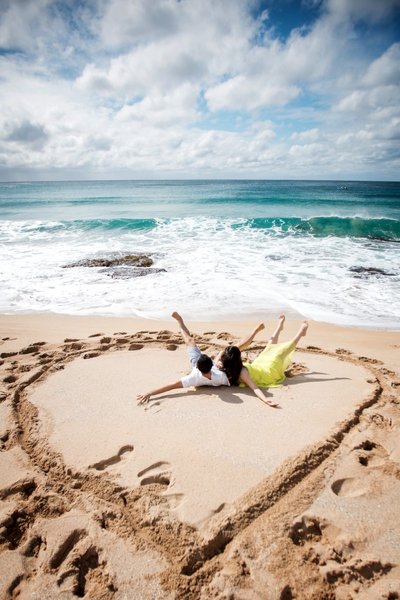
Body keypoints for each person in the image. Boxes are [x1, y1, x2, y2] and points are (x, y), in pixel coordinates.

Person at [137, 311, 230, 405]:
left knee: (189, 340)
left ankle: (180, 321)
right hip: (208, 363)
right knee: (190, 340)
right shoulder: (220, 377)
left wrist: (150, 393)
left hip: (199, 361)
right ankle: (180, 320)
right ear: (211, 365)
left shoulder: (193, 378)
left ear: (197, 367)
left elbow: (172, 385)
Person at [218, 315, 308, 408]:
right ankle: (300, 333)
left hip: (261, 367)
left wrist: (265, 400)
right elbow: (255, 388)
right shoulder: (238, 370)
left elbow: (255, 388)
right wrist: (266, 400)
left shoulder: (239, 370)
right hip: (268, 371)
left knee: (269, 348)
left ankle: (280, 327)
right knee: (280, 352)